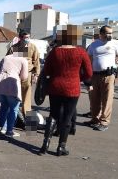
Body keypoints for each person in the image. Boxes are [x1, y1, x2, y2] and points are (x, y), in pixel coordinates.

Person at [39, 25, 92, 156]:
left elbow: (47, 71)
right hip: (72, 88)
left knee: (53, 115)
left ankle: (45, 144)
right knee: (67, 118)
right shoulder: (81, 52)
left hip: (55, 87)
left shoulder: (55, 51)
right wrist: (79, 78)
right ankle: (61, 147)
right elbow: (89, 73)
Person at [85, 25, 118, 131]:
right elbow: (88, 60)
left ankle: (104, 122)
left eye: (111, 33)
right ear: (101, 34)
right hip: (94, 76)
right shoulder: (93, 45)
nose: (110, 35)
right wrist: (87, 75)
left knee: (107, 99)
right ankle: (95, 119)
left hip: (108, 76)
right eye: (108, 33)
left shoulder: (115, 44)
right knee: (94, 99)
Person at [0, 47, 28, 138]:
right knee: (14, 109)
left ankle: (3, 128)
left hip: (0, 85)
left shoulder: (6, 58)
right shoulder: (23, 60)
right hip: (12, 86)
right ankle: (9, 131)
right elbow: (24, 77)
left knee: (4, 107)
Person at [7, 31, 40, 120]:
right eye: (25, 38)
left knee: (26, 99)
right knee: (15, 97)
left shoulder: (32, 47)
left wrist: (36, 74)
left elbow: (36, 61)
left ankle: (29, 121)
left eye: (28, 37)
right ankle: (13, 118)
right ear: (20, 38)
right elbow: (7, 60)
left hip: (27, 75)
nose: (27, 39)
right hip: (15, 75)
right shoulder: (14, 48)